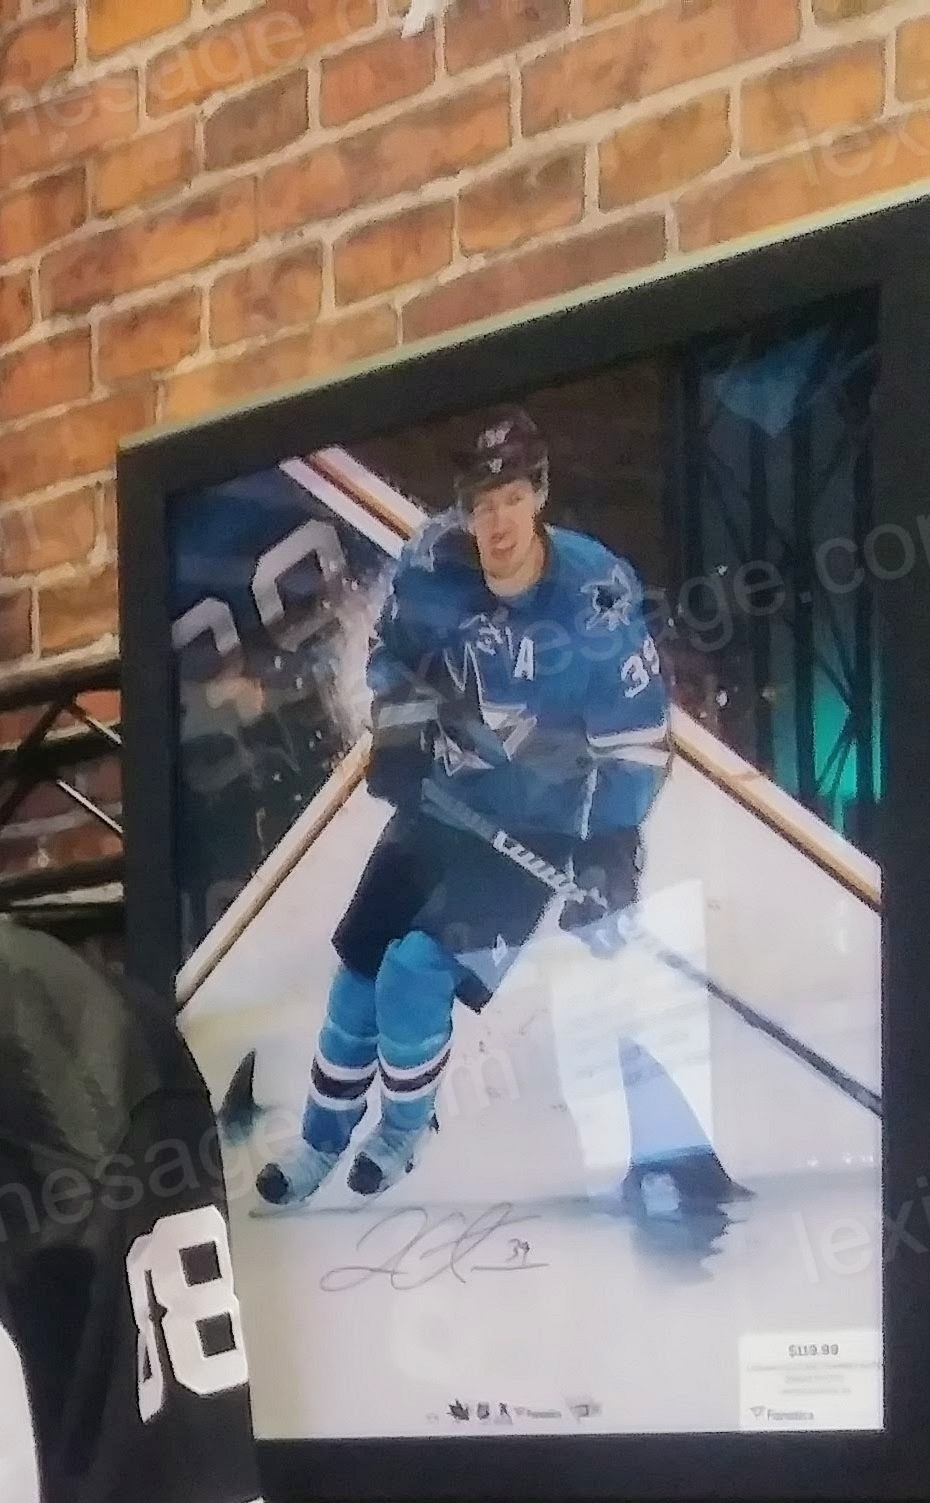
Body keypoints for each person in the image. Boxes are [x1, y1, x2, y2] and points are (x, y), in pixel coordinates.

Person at [258, 408, 672, 1209]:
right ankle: (319, 1142)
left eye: (512, 498)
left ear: (539, 494)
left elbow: (636, 737)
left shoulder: (594, 598)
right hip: (443, 805)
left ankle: (401, 1133)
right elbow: (389, 660)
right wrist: (403, 733)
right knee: (358, 975)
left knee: (414, 972)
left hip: (538, 829)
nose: (497, 522)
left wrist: (610, 848)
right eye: (482, 505)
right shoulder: (431, 562)